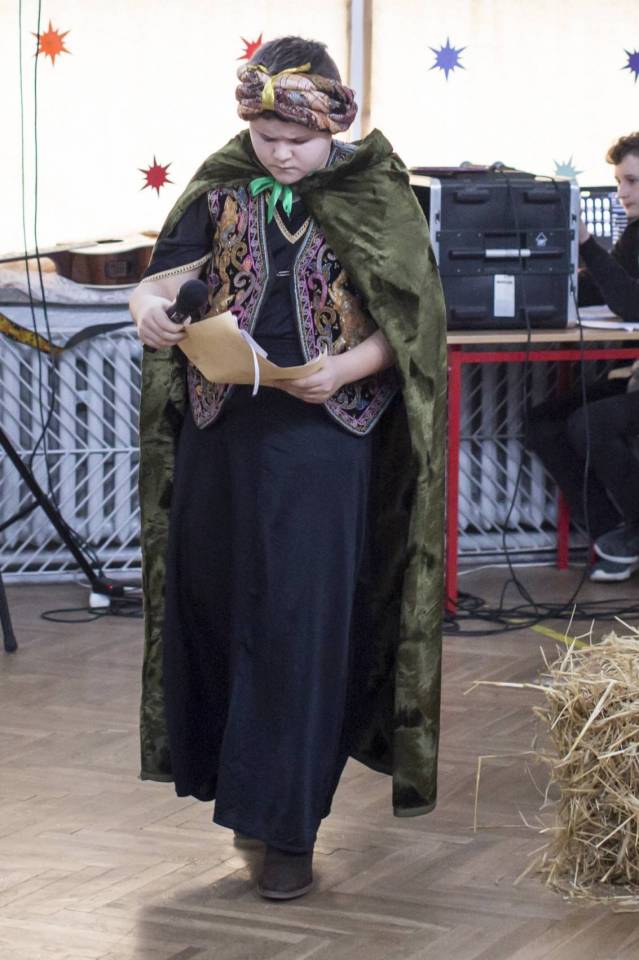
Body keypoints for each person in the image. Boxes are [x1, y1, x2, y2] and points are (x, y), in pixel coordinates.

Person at [130, 36, 446, 900]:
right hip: (221, 431)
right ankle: (248, 798)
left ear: (331, 125)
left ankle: (291, 827)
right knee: (219, 609)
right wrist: (148, 312)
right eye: (266, 137)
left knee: (299, 627)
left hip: (322, 441)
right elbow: (159, 282)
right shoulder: (221, 182)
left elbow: (415, 326)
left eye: (296, 141)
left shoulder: (376, 193)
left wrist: (344, 369)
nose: (279, 154)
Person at [525, 132, 639, 582]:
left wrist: (587, 242)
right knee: (544, 423)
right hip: (632, 373)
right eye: (619, 181)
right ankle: (614, 535)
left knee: (589, 424)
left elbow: (631, 303)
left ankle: (635, 532)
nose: (622, 192)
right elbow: (607, 289)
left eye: (632, 182)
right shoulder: (634, 233)